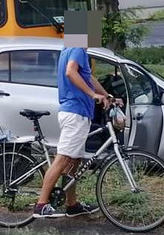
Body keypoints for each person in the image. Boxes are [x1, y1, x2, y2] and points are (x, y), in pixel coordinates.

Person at [33, 46, 110, 218]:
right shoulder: (77, 48)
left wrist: (106, 95)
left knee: (74, 161)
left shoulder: (69, 48)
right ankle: (41, 204)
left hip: (78, 113)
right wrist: (92, 94)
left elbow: (88, 77)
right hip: (75, 113)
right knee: (63, 159)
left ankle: (72, 204)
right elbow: (70, 72)